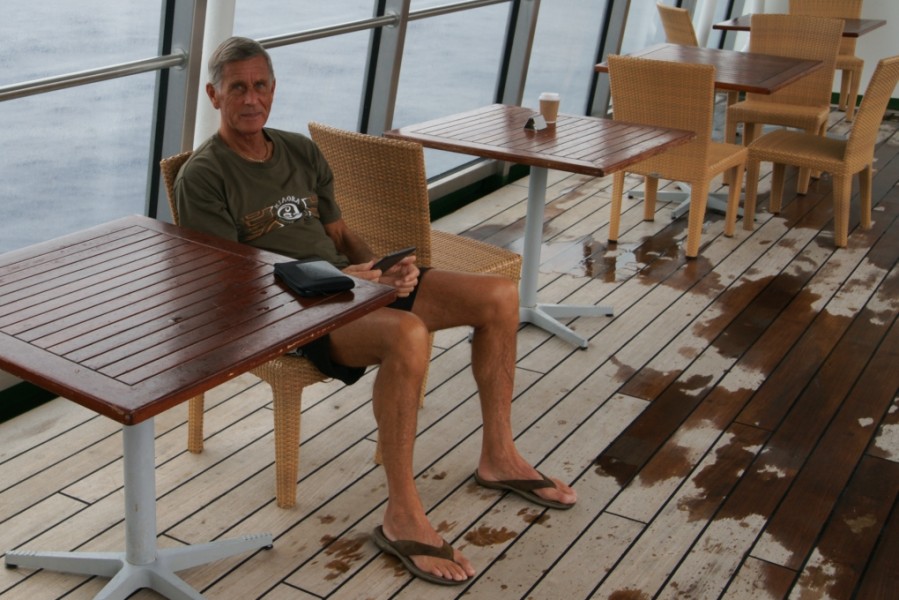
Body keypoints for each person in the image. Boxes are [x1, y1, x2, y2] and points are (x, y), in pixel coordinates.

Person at [175, 36, 576, 586]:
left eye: (260, 85)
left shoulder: (299, 151)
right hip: (289, 315)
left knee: (500, 296)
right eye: (237, 88)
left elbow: (339, 233)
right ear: (213, 95)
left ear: (273, 88)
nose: (251, 98)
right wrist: (342, 280)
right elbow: (232, 286)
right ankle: (402, 514)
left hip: (349, 285)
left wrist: (380, 269)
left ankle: (499, 456)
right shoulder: (204, 176)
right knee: (407, 333)